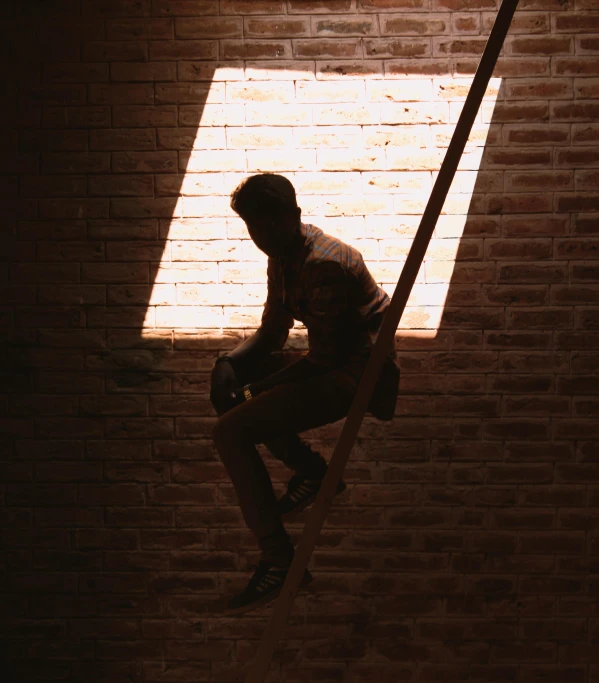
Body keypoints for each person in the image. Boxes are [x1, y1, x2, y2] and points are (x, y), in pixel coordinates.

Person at [210, 173, 400, 615]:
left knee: (229, 432)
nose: (263, 238)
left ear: (294, 216)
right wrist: (228, 363)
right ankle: (310, 473)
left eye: (272, 227)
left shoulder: (323, 263)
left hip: (357, 374)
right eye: (255, 230)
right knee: (228, 389)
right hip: (328, 364)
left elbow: (325, 359)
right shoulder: (283, 255)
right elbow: (274, 331)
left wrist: (255, 389)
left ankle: (278, 560)